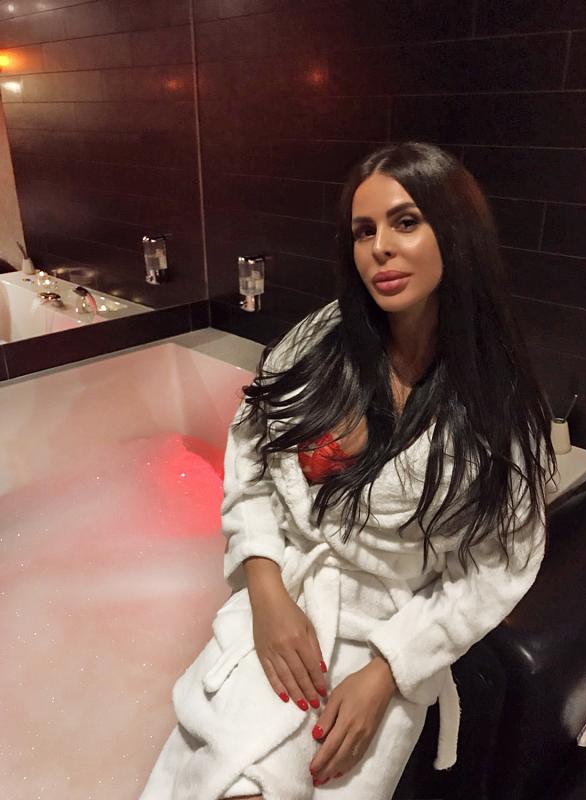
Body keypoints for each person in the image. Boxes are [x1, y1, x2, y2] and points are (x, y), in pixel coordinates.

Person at [140, 141, 558, 800]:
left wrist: (389, 672)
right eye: (364, 231)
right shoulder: (320, 342)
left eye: (405, 222)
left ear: (456, 231)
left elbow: (498, 567)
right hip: (286, 601)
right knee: (230, 778)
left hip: (388, 637)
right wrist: (266, 592)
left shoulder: (496, 400)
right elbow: (251, 459)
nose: (379, 248)